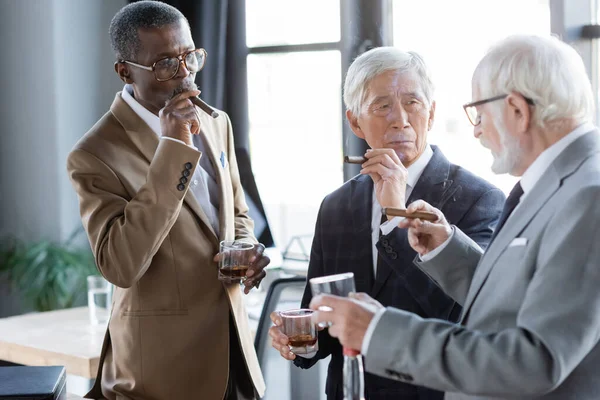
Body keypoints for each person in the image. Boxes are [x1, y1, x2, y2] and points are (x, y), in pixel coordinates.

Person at [309, 34, 600, 400]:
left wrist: (377, 331)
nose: (476, 130)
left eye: (479, 113)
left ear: (517, 111)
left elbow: (534, 361)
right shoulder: (560, 184)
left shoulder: (588, 196)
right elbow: (511, 299)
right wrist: (446, 250)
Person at [269, 47, 505, 400]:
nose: (401, 119)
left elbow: (461, 313)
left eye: (413, 102)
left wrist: (397, 216)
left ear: (433, 112)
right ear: (354, 122)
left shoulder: (479, 199)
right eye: (382, 106)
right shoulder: (336, 205)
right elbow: (320, 318)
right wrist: (299, 339)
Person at [67, 2, 268, 399]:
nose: (185, 74)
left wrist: (244, 248)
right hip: (160, 375)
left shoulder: (216, 121)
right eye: (164, 64)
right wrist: (173, 147)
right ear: (125, 71)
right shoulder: (95, 154)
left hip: (234, 357)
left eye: (189, 56)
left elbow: (237, 215)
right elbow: (120, 264)